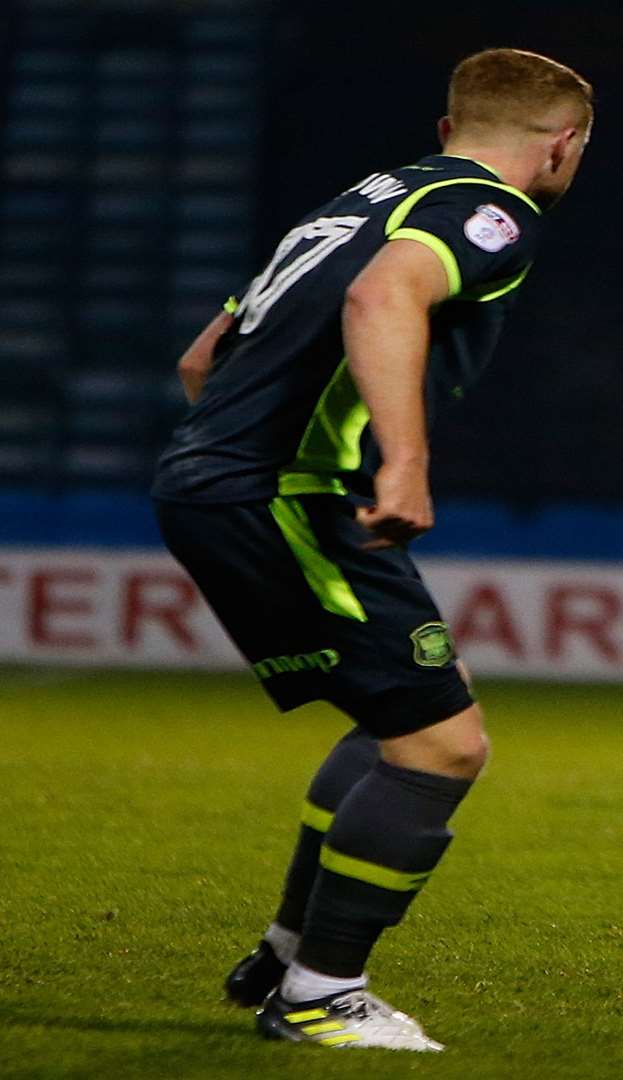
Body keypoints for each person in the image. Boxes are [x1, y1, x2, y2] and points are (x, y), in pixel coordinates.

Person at [149, 48, 593, 1051]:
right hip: (287, 495)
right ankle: (320, 992)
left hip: (239, 485)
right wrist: (403, 460)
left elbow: (199, 358)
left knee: (410, 711)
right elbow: (381, 300)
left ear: (447, 128)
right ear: (563, 145)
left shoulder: (350, 204)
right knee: (444, 744)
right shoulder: (493, 213)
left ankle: (286, 950)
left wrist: (233, 459)